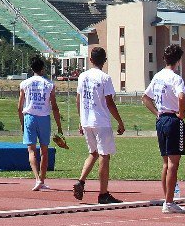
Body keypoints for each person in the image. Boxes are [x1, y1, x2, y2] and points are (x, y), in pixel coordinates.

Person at [73, 47, 125, 204]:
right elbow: (109, 102)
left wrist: (81, 120)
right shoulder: (105, 78)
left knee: (93, 153)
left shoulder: (83, 76)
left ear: (90, 60)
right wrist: (120, 121)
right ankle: (103, 194)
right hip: (101, 121)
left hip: (87, 120)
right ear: (105, 61)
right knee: (104, 155)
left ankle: (81, 181)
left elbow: (78, 99)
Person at [142, 44, 185, 214]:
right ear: (178, 60)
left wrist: (157, 113)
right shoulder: (176, 78)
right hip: (173, 119)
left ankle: (167, 199)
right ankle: (169, 201)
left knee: (165, 163)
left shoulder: (158, 76)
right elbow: (181, 96)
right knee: (173, 163)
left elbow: (145, 98)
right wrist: (181, 114)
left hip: (161, 119)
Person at [18, 56, 63, 192]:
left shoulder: (25, 84)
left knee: (31, 150)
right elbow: (54, 106)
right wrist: (59, 126)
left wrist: (22, 122)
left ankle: (37, 178)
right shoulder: (49, 84)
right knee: (44, 150)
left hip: (29, 117)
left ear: (32, 69)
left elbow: (19, 107)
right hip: (44, 117)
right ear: (43, 69)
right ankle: (42, 180)